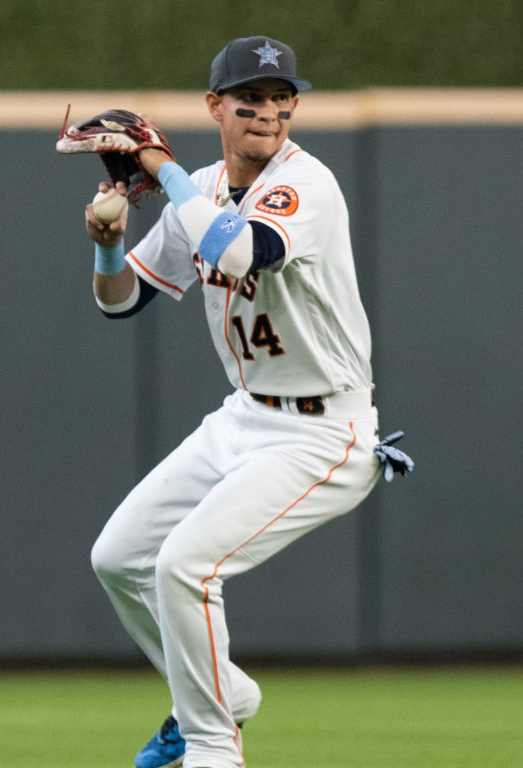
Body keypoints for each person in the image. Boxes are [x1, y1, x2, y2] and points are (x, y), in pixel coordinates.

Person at [85, 36, 409, 768]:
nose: (270, 112)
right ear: (215, 107)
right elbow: (122, 302)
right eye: (251, 99)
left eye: (281, 98)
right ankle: (221, 692)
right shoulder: (197, 189)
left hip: (325, 432)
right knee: (119, 557)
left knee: (186, 566)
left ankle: (211, 748)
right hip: (246, 414)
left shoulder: (308, 182)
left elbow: (244, 252)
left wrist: (159, 167)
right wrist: (107, 245)